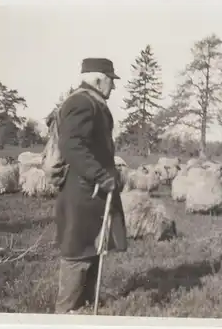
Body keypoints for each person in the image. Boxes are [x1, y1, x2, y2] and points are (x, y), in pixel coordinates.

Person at [54, 58, 127, 314]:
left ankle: (83, 311)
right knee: (78, 254)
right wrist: (101, 175)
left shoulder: (91, 103)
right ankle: (65, 313)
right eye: (111, 80)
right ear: (98, 79)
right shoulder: (82, 103)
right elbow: (72, 144)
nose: (113, 87)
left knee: (93, 249)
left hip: (92, 192)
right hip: (84, 193)